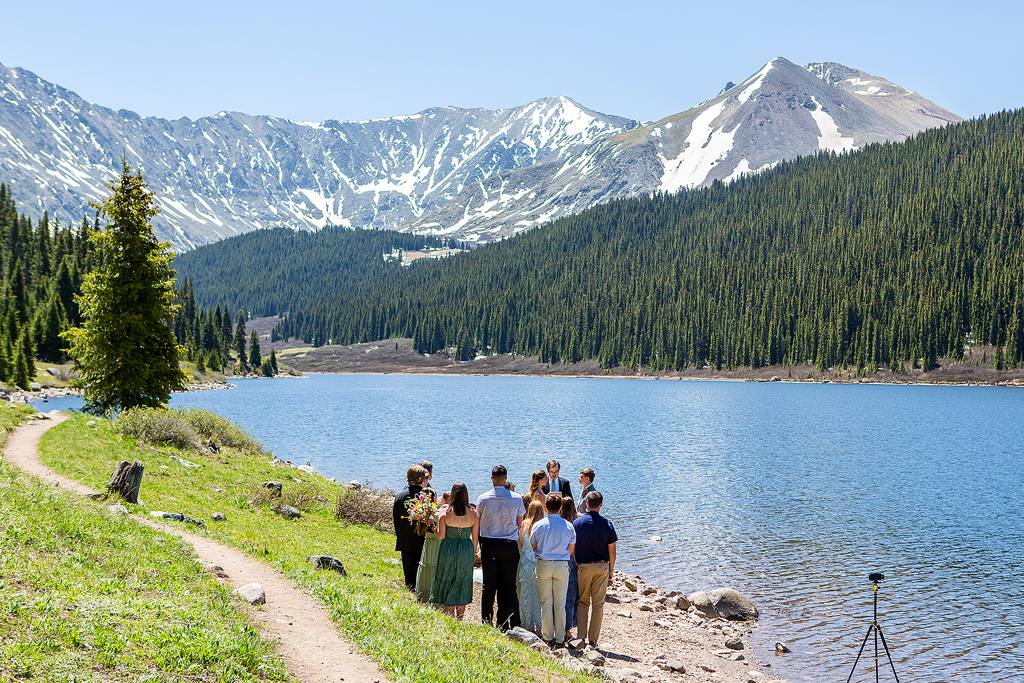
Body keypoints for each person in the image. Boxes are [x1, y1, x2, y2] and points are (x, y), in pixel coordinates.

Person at [476, 465, 526, 631]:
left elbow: (479, 520)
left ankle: (486, 621)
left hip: (489, 543)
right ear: (505, 479)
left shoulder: (483, 498)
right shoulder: (516, 498)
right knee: (509, 586)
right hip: (509, 544)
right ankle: (513, 623)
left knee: (488, 586)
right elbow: (520, 524)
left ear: (491, 478)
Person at [573, 491, 618, 648]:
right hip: (601, 566)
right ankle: (593, 640)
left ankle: (580, 637)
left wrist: (576, 562)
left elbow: (572, 547)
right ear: (600, 505)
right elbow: (612, 551)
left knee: (583, 602)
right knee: (598, 604)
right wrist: (611, 571)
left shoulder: (577, 524)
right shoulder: (607, 524)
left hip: (583, 567)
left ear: (586, 504)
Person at [531, 493, 576, 647]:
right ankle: (560, 637)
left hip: (543, 563)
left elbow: (533, 546)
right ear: (560, 507)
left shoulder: (538, 525)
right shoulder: (568, 525)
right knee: (560, 602)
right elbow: (571, 548)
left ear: (545, 507)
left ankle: (547, 636)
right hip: (561, 564)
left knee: (546, 602)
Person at [429, 483, 479, 619]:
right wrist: (472, 554)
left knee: (448, 576)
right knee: (462, 579)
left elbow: (440, 535)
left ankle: (449, 616)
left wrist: (432, 525)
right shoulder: (473, 514)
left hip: (448, 548)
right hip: (465, 549)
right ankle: (460, 617)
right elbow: (475, 538)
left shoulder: (445, 512)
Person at [393, 464, 429, 589]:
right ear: (422, 479)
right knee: (421, 570)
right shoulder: (425, 496)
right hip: (422, 539)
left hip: (405, 539)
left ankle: (410, 591)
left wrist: (401, 534)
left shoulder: (399, 496)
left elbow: (396, 520)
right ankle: (420, 593)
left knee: (408, 572)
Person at [516, 500, 546, 634]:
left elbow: (522, 545)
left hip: (527, 564)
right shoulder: (543, 526)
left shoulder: (524, 524)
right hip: (539, 564)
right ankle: (539, 627)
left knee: (526, 596)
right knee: (539, 597)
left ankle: (527, 625)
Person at [415, 490, 448, 603]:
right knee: (435, 567)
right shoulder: (436, 513)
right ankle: (435, 597)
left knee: (426, 567)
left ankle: (422, 597)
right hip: (436, 543)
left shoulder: (423, 512)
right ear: (433, 498)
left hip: (427, 541)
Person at [559, 495, 579, 638]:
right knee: (571, 596)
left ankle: (556, 626)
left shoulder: (559, 524)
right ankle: (567, 628)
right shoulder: (575, 524)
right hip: (572, 562)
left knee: (558, 595)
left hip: (558, 560)